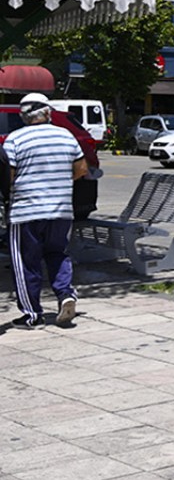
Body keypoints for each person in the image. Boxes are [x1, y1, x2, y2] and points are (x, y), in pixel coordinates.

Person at [5, 93, 87, 330]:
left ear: (23, 116)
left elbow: (7, 175)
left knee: (25, 261)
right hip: (61, 208)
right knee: (57, 252)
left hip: (26, 210)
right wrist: (59, 182)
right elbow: (81, 169)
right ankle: (65, 294)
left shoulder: (15, 139)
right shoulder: (66, 135)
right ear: (48, 113)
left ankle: (32, 314)